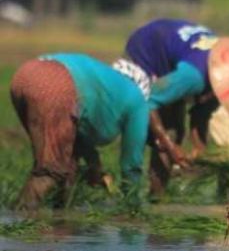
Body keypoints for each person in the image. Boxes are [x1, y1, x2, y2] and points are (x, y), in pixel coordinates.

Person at [9, 53, 174, 209]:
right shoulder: (138, 101)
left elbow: (79, 136)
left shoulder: (108, 84)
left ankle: (60, 221)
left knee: (65, 164)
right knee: (51, 171)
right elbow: (131, 164)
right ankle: (19, 224)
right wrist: (132, 206)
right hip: (54, 82)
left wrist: (95, 166)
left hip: (26, 74)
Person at [123, 19, 219, 195]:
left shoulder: (224, 79)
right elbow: (149, 101)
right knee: (167, 130)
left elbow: (200, 114)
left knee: (175, 130)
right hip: (146, 49)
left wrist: (199, 152)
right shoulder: (194, 76)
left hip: (176, 55)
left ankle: (157, 195)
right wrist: (170, 146)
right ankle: (133, 195)